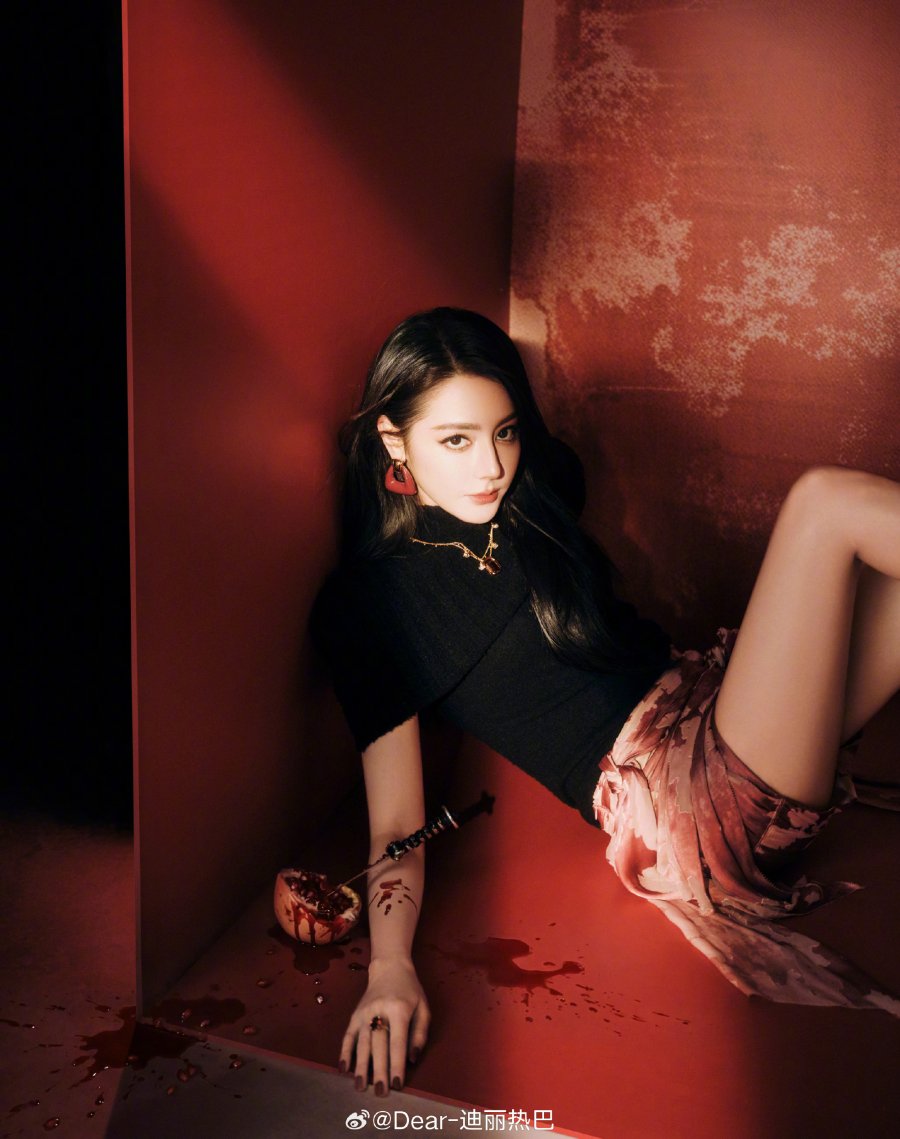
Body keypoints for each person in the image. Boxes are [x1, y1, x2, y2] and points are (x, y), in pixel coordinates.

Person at [311, 307, 900, 1097]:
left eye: (505, 431)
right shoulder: (372, 608)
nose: (491, 465)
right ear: (393, 440)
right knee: (825, 504)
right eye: (455, 440)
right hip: (686, 804)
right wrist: (389, 970)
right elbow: (395, 825)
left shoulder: (534, 491)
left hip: (718, 710)